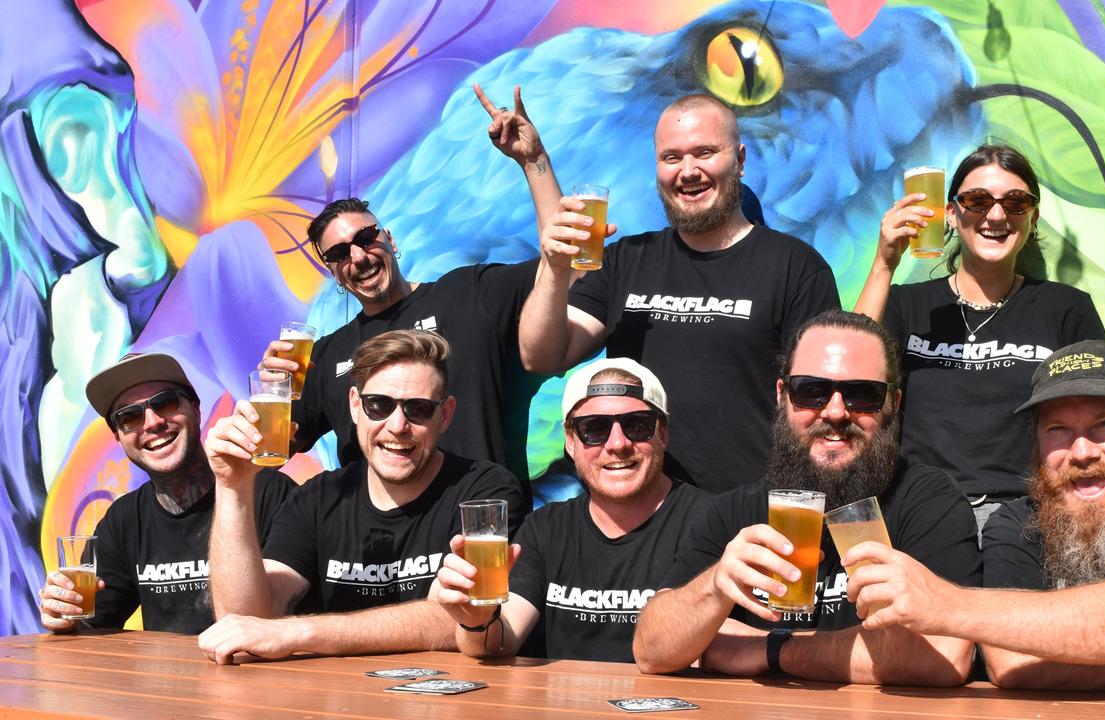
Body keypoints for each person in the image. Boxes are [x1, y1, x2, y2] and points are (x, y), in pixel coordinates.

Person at [840, 340, 1105, 692]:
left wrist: (945, 603)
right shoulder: (1016, 523)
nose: (1082, 452)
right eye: (1058, 430)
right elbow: (1013, 664)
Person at [632, 311, 978, 686]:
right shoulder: (732, 512)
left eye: (863, 395)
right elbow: (651, 650)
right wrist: (715, 587)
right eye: (811, 390)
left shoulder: (928, 502)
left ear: (893, 402)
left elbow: (946, 654)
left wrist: (771, 649)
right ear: (782, 396)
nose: (834, 411)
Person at [518, 93, 841, 493]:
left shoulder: (796, 267)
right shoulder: (626, 261)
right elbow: (542, 355)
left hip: (746, 514)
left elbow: (824, 406)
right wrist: (554, 267)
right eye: (671, 158)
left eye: (705, 153)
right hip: (642, 515)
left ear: (739, 160)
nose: (688, 171)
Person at [266, 85, 560, 478]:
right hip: (379, 537)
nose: (357, 256)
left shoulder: (468, 293)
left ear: (391, 240)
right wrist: (273, 393)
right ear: (335, 273)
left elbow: (561, 265)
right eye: (338, 255)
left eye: (366, 238)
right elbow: (278, 449)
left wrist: (534, 161)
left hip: (479, 526)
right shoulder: (324, 356)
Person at [197, 330, 529, 664]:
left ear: (445, 415)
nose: (397, 425)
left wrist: (297, 632)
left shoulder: (484, 492)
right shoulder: (317, 497)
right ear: (356, 406)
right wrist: (232, 487)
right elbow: (244, 621)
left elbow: (456, 619)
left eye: (418, 409)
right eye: (379, 405)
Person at [853, 144, 1105, 528]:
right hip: (920, 512)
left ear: (1032, 217)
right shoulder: (908, 305)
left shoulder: (1065, 309)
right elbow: (851, 373)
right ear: (951, 214)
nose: (997, 214)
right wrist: (885, 263)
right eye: (977, 200)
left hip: (1028, 516)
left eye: (1016, 202)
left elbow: (1100, 416)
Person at [435, 358, 709, 662]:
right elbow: (500, 642)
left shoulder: (711, 523)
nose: (617, 444)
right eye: (594, 428)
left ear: (663, 434)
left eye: (637, 425)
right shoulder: (545, 528)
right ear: (569, 441)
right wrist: (476, 622)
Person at [38, 353, 293, 634]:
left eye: (165, 402)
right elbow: (90, 627)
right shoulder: (124, 520)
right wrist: (63, 614)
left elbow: (276, 621)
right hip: (164, 677)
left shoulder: (272, 494)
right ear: (119, 438)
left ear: (196, 409)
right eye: (129, 417)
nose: (151, 422)